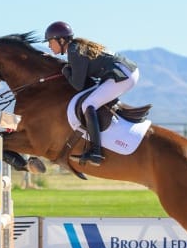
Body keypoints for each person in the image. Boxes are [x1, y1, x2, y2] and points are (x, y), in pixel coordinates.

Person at [44, 21, 140, 166]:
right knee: (93, 99)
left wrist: (66, 71)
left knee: (89, 104)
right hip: (125, 71)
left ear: (61, 40)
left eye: (50, 41)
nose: (49, 46)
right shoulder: (76, 48)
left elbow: (78, 85)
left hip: (124, 74)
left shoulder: (74, 51)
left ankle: (96, 152)